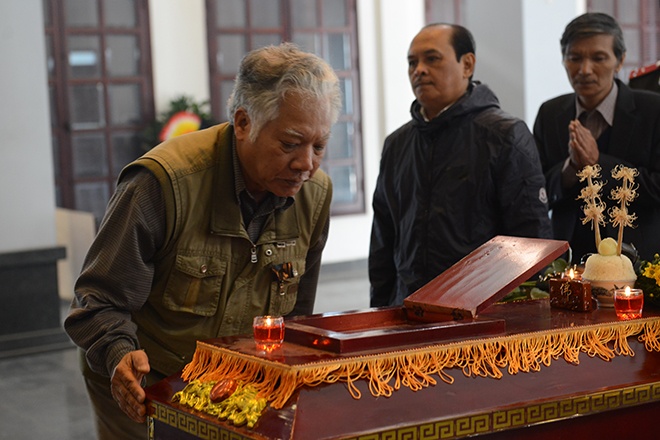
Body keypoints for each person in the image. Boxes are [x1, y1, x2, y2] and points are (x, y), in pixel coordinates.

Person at [64, 43, 342, 439]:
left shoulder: (314, 193)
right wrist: (119, 356)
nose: (306, 164)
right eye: (290, 144)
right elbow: (97, 301)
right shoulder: (164, 184)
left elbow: (296, 317)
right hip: (146, 382)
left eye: (320, 146)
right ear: (243, 123)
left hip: (232, 383)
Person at [369, 23, 552, 307]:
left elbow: (531, 243)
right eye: (412, 62)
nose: (419, 70)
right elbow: (383, 240)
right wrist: (380, 311)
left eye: (432, 59)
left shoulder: (504, 135)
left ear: (467, 65)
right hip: (406, 310)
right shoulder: (397, 144)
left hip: (480, 314)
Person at [534, 13, 660, 264]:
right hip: (567, 261)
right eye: (574, 58)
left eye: (599, 58)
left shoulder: (652, 110)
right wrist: (569, 170)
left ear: (619, 60)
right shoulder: (551, 113)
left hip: (637, 262)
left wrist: (598, 163)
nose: (585, 70)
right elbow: (536, 189)